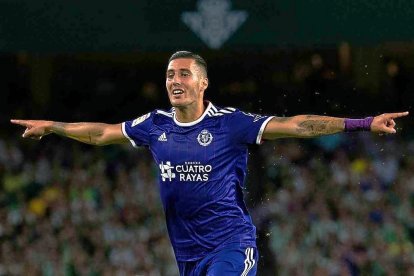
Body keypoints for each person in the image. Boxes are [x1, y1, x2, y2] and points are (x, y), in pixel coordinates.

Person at [11, 51, 409, 276]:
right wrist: (54, 126)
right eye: (169, 74)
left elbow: (297, 126)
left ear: (202, 84)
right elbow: (101, 134)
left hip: (231, 247)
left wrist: (362, 123)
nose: (174, 80)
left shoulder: (230, 123)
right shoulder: (154, 125)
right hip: (187, 257)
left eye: (184, 73)